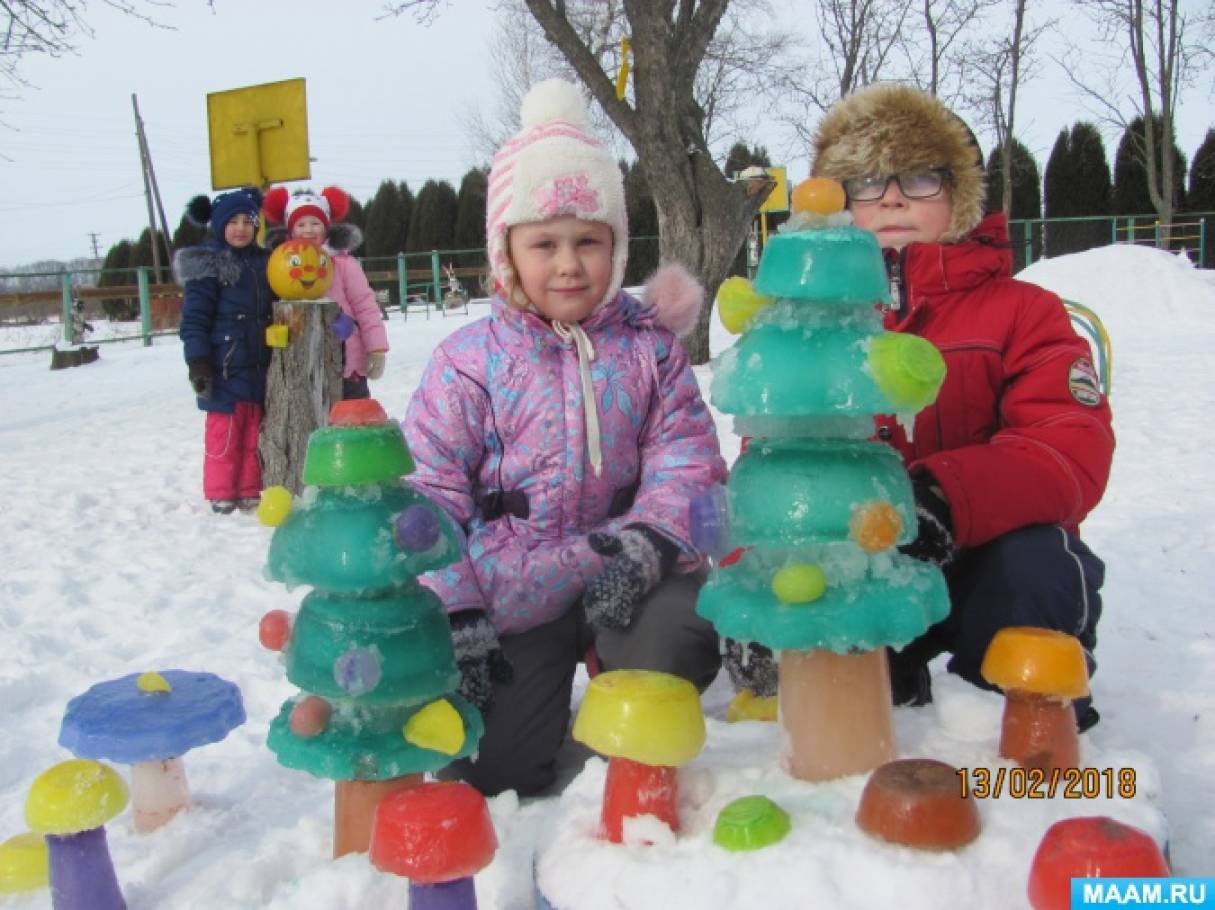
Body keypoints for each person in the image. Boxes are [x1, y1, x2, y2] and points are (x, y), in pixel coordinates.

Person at [725, 84, 1114, 732]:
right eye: (866, 181)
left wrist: (939, 497)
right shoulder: (808, 335)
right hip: (862, 570)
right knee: (843, 696)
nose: (892, 197)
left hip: (982, 558)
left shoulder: (1024, 312)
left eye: (920, 176)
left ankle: (1027, 736)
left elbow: (1065, 444)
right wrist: (756, 584)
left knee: (1036, 564)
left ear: (960, 194)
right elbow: (773, 470)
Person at [402, 79, 727, 796]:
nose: (568, 263)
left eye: (588, 240)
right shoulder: (468, 363)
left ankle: (629, 698)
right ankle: (531, 703)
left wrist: (650, 543)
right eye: (543, 242)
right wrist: (454, 607)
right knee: (498, 772)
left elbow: (688, 461)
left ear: (615, 247)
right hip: (513, 588)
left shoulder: (649, 351)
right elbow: (427, 496)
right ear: (506, 252)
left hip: (630, 574)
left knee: (674, 633)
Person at [175, 187, 275, 515]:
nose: (241, 228)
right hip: (223, 367)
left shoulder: (264, 264)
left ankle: (248, 489)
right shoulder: (209, 266)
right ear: (219, 226)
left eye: (248, 221)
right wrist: (198, 362)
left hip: (259, 366)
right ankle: (220, 492)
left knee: (253, 435)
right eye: (232, 221)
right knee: (224, 437)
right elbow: (194, 320)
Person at [262, 185, 389, 400]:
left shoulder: (344, 263)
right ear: (291, 231)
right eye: (301, 224)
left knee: (351, 415)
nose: (308, 230)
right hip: (303, 360)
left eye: (315, 223)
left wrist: (376, 347)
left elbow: (365, 305)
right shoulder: (279, 266)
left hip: (347, 359)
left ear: (326, 227)